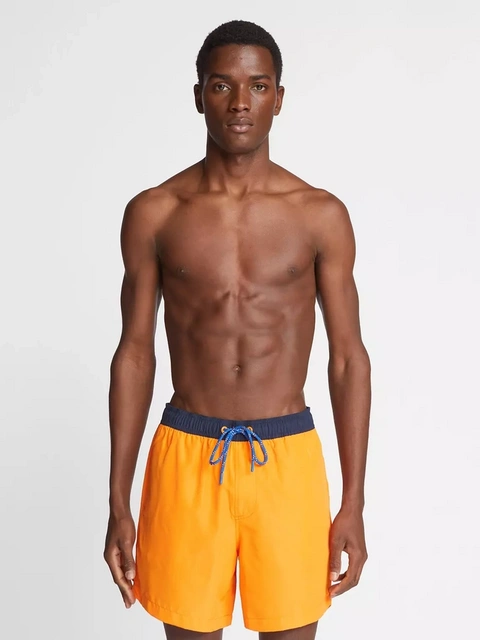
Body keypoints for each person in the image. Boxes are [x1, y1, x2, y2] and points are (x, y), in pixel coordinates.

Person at [104, 19, 370, 640]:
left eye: (258, 85)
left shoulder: (320, 215)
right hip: (187, 454)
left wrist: (354, 500)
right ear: (199, 96)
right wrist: (118, 497)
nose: (241, 103)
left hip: (287, 457)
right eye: (223, 85)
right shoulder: (155, 213)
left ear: (280, 97)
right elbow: (134, 354)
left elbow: (348, 359)